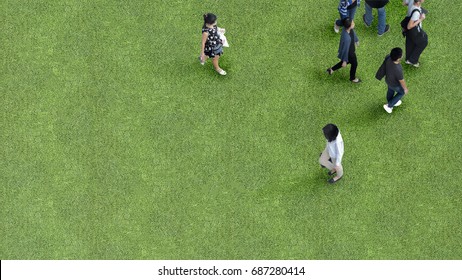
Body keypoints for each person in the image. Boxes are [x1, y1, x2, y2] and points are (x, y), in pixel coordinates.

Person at [327, 18, 361, 83]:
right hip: (350, 53)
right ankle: (352, 78)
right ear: (349, 26)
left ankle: (331, 70)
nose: (354, 23)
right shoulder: (347, 38)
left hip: (350, 50)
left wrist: (356, 40)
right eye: (353, 23)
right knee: (354, 64)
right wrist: (345, 61)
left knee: (347, 62)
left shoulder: (346, 29)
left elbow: (353, 32)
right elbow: (345, 50)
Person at [378, 48, 409, 114]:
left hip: (388, 80)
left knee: (390, 90)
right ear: (398, 58)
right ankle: (389, 105)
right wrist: (405, 89)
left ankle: (391, 101)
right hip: (395, 84)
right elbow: (401, 80)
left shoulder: (388, 57)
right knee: (401, 92)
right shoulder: (398, 69)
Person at [404, 0, 428, 67]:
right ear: (419, 1)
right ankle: (412, 60)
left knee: (410, 42)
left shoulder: (411, 1)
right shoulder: (416, 13)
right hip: (413, 29)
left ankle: (408, 59)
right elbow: (409, 26)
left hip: (408, 28)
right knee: (423, 42)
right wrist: (420, 19)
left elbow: (404, 3)